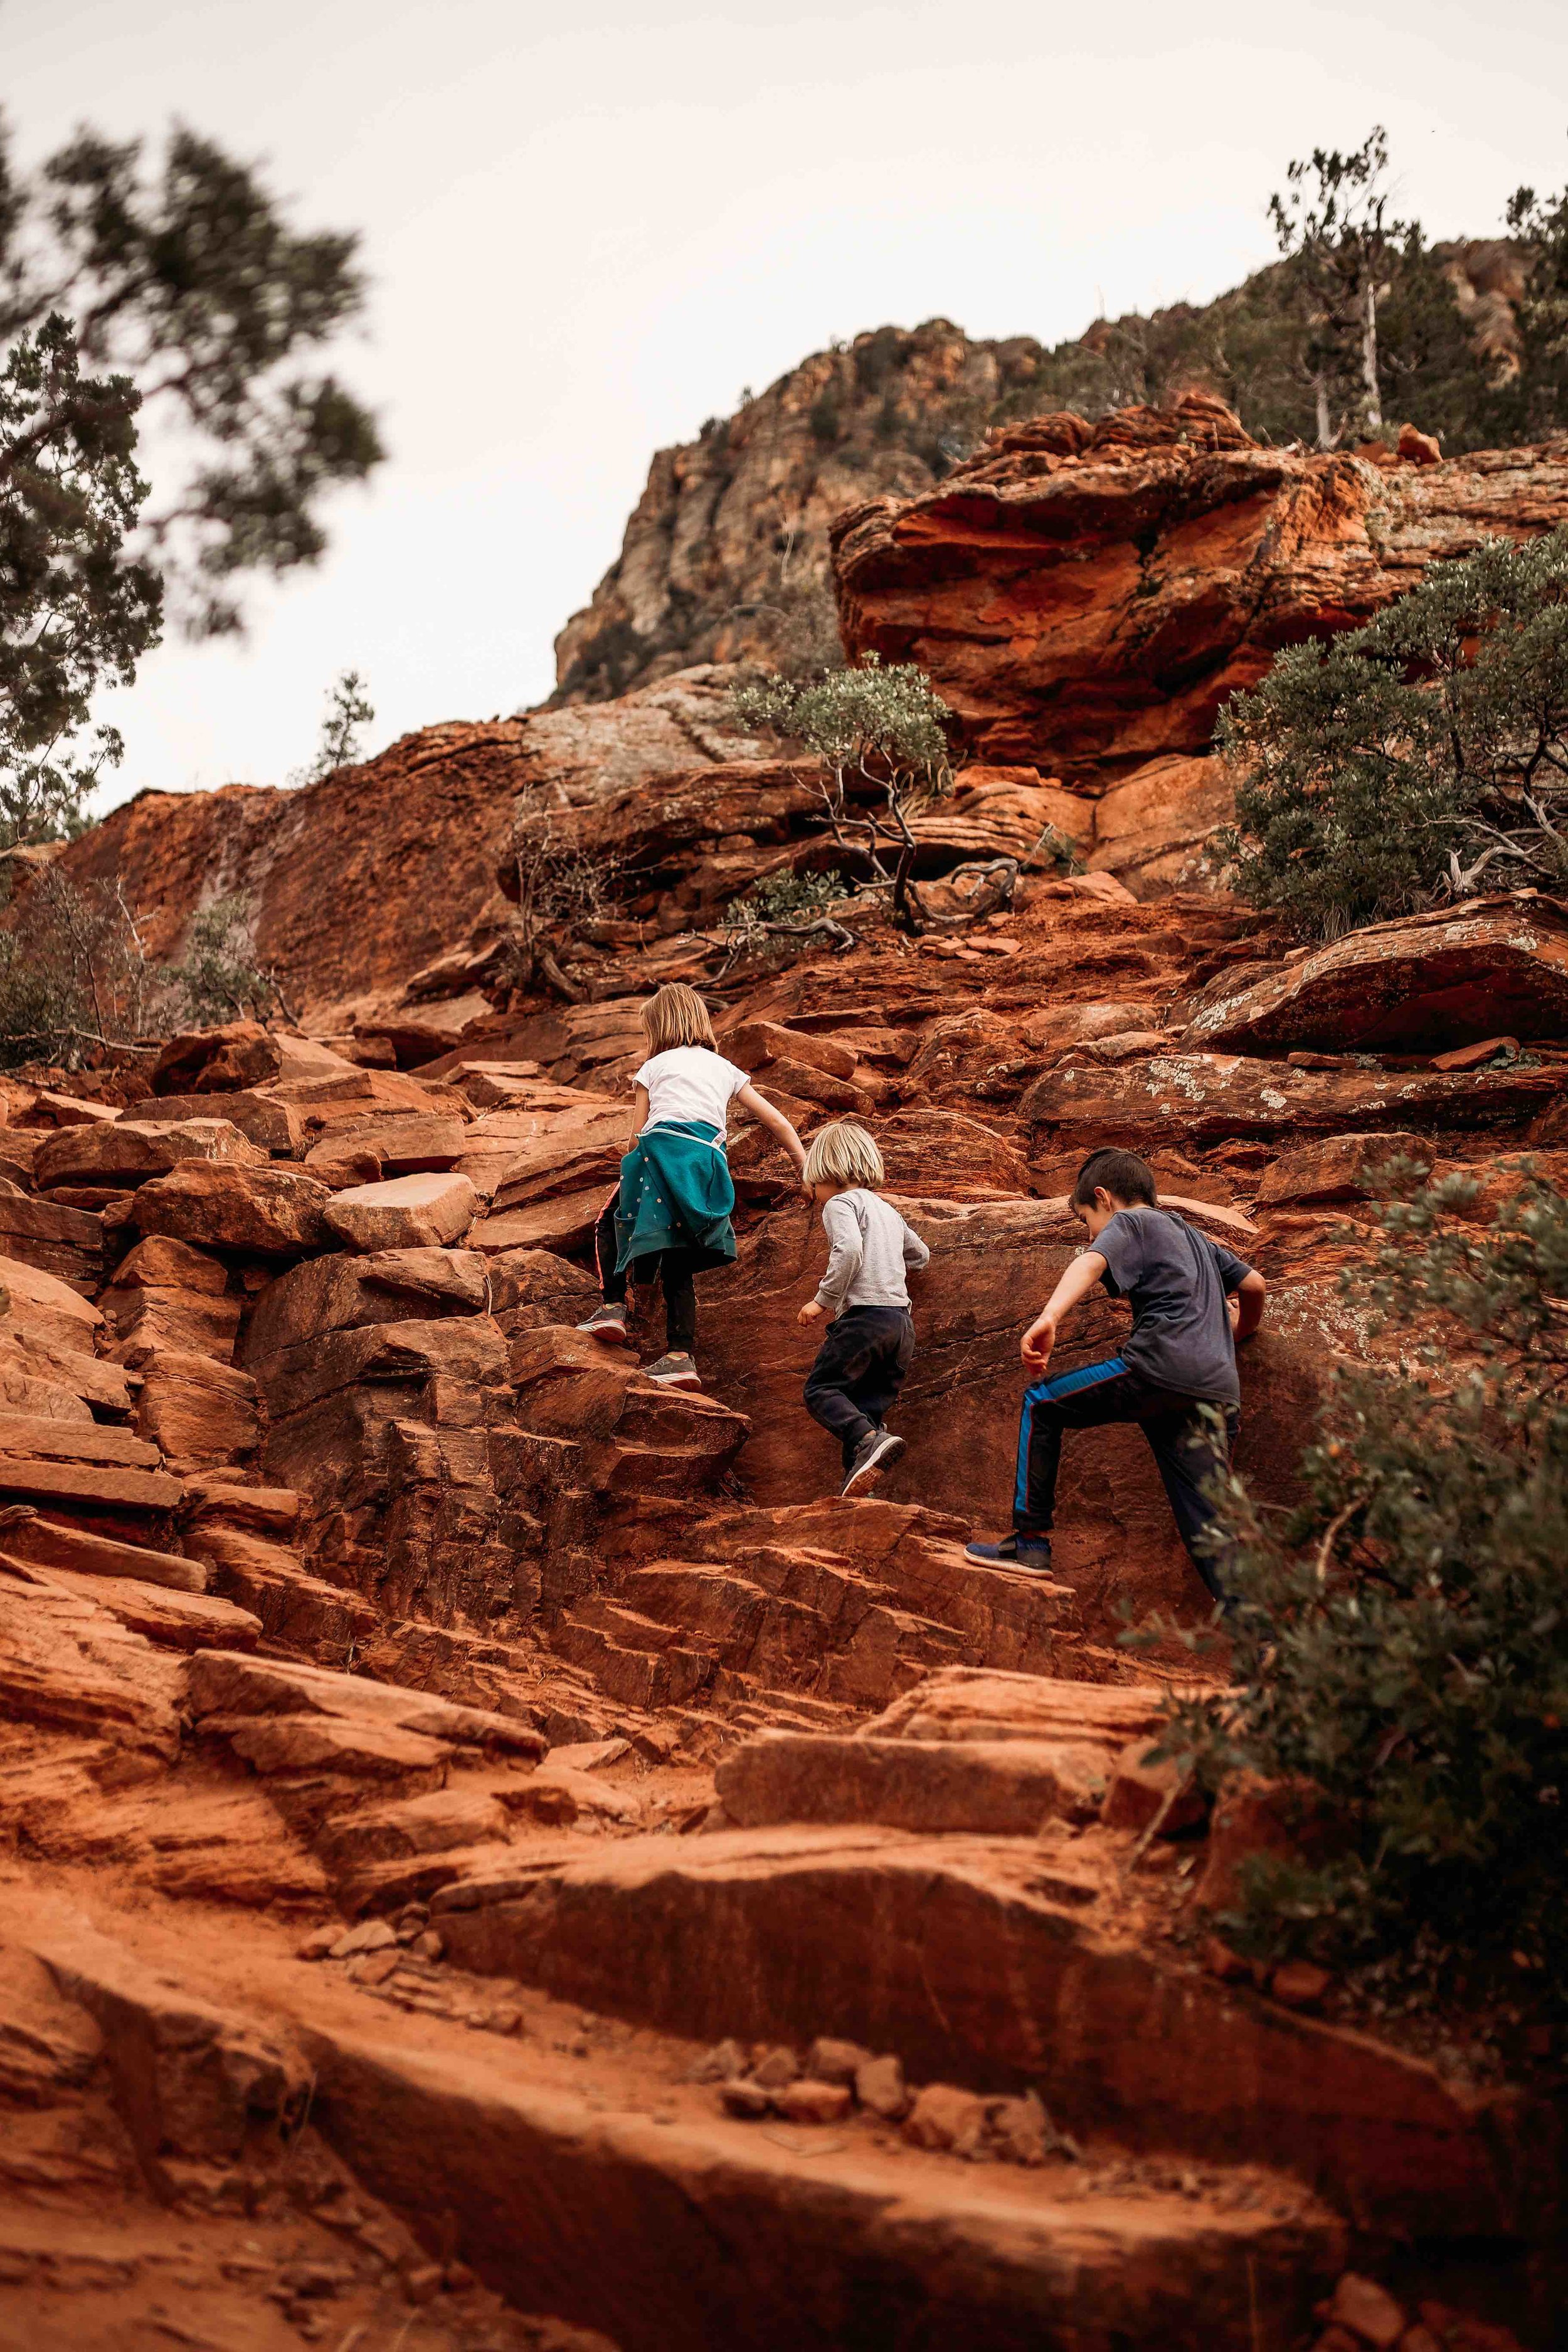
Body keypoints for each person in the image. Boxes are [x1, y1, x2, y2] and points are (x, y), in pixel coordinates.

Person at [965, 1147, 1266, 1601]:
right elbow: (1255, 1284)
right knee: (1209, 1526)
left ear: (1104, 1198)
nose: (1091, 1233)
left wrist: (1049, 1317)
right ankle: (1261, 1642)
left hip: (1158, 1370)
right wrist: (1239, 1333)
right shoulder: (1197, 1240)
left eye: (1086, 1219)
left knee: (1040, 1402)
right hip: (1219, 1392)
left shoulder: (1130, 1222)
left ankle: (1029, 1544)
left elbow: (1091, 1261)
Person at [578, 982, 807, 1389]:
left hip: (662, 1152)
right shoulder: (724, 1068)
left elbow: (636, 1137)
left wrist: (630, 1172)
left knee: (607, 1219)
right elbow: (778, 1121)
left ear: (659, 1029)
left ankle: (613, 1307)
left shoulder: (654, 1067)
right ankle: (680, 1356)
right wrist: (803, 1169)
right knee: (678, 1260)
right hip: (704, 1164)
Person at [797, 1120, 930, 1496]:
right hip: (900, 1326)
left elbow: (850, 1250)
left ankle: (869, 1444)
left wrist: (822, 1300)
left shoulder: (840, 1203)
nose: (815, 1193)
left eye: (814, 1184)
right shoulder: (887, 1210)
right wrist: (888, 1262)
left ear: (828, 1173)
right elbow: (921, 1256)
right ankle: (859, 1491)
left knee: (821, 1390)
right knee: (864, 1413)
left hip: (864, 1319)